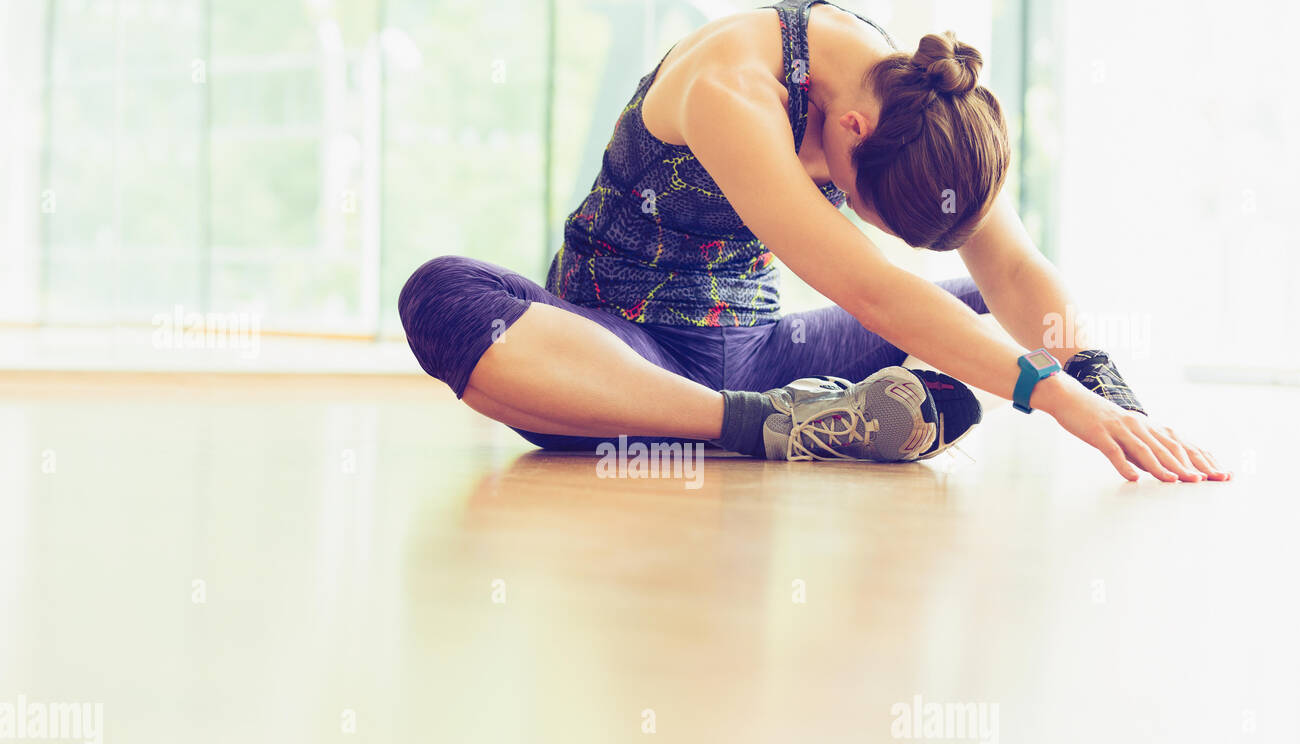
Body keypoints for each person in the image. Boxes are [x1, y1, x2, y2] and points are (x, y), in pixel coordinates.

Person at [399, 0, 1228, 481]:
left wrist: (1100, 387)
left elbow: (1007, 261)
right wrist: (1050, 397)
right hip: (626, 363)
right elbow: (871, 291)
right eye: (871, 211)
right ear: (852, 128)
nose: (865, 221)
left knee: (990, 317)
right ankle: (759, 426)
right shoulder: (732, 86)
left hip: (764, 348)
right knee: (443, 293)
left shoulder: (917, 102)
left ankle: (809, 416)